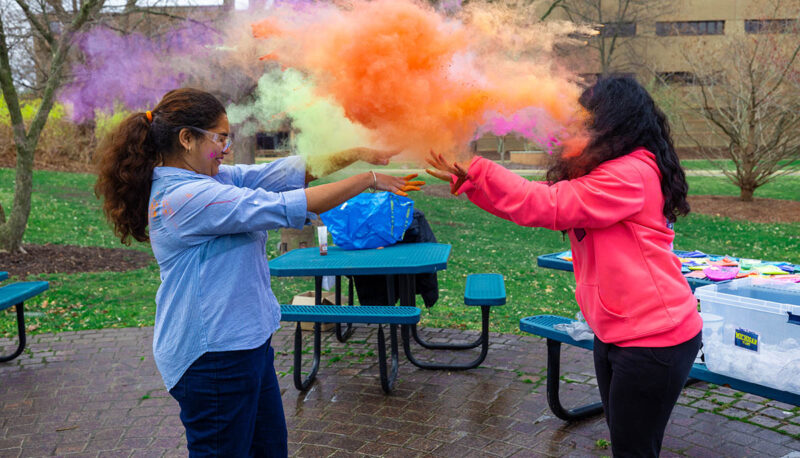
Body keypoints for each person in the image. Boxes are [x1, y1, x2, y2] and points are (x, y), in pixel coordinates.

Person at [94, 87, 423, 457]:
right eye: (220, 138)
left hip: (246, 345)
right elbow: (285, 205)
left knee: (269, 450)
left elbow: (284, 173)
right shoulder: (184, 198)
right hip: (213, 356)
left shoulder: (211, 180)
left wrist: (356, 153)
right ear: (186, 139)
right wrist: (369, 179)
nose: (227, 147)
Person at [426, 76, 701, 457]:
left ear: (615, 121)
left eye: (588, 119)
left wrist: (481, 171)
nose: (577, 126)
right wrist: (473, 183)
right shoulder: (613, 169)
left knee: (633, 449)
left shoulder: (630, 175)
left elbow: (547, 205)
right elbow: (529, 208)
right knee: (626, 442)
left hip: (654, 338)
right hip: (618, 332)